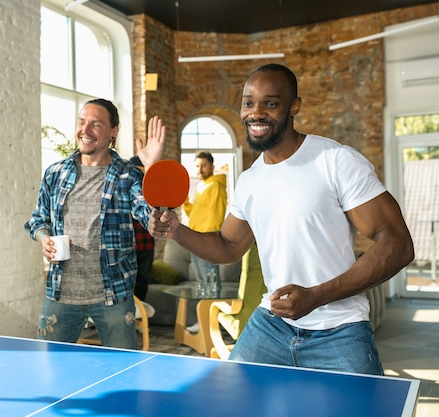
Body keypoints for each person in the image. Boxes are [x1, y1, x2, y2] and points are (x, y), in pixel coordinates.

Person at [148, 64, 414, 375]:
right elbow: (228, 246)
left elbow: (398, 244)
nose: (255, 113)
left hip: (339, 329)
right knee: (228, 402)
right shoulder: (249, 180)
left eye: (270, 103)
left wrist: (316, 296)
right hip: (271, 325)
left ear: (294, 106)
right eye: (248, 102)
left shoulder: (335, 160)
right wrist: (177, 230)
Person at [25, 99, 165, 349]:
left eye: (96, 124)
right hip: (60, 294)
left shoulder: (128, 175)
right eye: (82, 122)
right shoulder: (56, 173)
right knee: (46, 368)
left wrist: (153, 167)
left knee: (123, 372)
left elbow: (151, 218)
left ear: (113, 131)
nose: (85, 130)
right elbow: (38, 220)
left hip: (113, 295)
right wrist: (44, 239)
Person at [182, 151, 227, 333]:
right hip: (196, 239)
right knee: (203, 284)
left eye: (204, 165)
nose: (200, 169)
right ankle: (204, 322)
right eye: (198, 165)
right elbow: (196, 214)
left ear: (212, 166)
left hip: (206, 240)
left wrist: (206, 239)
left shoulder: (215, 186)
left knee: (210, 283)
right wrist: (184, 201)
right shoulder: (203, 186)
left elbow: (214, 215)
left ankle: (211, 325)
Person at [129, 156, 155, 302]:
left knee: (143, 282)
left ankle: (141, 319)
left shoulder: (151, 189)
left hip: (147, 245)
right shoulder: (123, 188)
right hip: (128, 245)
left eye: (141, 171)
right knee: (128, 283)